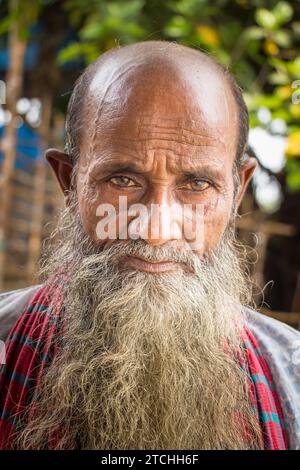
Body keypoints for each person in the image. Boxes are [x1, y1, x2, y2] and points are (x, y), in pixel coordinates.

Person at [0, 40, 299, 450]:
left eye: (197, 184)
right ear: (69, 182)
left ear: (237, 190)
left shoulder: (292, 376)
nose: (157, 230)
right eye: (122, 180)